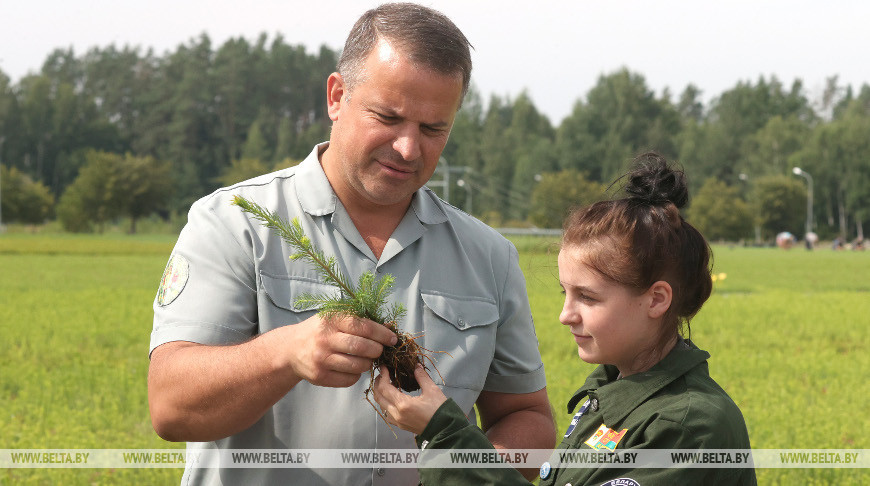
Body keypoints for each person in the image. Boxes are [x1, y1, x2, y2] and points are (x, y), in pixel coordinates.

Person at [147, 3, 555, 485]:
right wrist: (286, 352)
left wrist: (470, 471)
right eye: (388, 116)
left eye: (432, 129)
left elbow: (529, 417)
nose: (408, 147)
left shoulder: (489, 257)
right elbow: (171, 407)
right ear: (337, 96)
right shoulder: (235, 224)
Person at [373, 153, 757, 485]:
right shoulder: (612, 394)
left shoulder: (685, 426)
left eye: (587, 297)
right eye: (566, 293)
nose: (565, 316)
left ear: (656, 299)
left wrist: (443, 432)